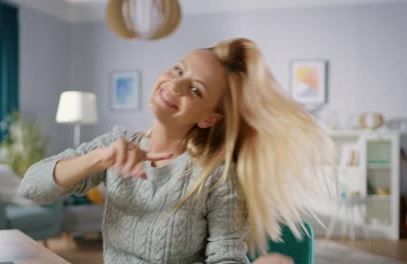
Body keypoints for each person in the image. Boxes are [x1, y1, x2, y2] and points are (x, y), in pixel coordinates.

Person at [19, 38, 334, 264]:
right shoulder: (115, 145)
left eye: (196, 90)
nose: (175, 86)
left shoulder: (216, 176)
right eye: (178, 70)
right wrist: (98, 159)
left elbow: (225, 254)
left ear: (209, 118)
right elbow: (31, 187)